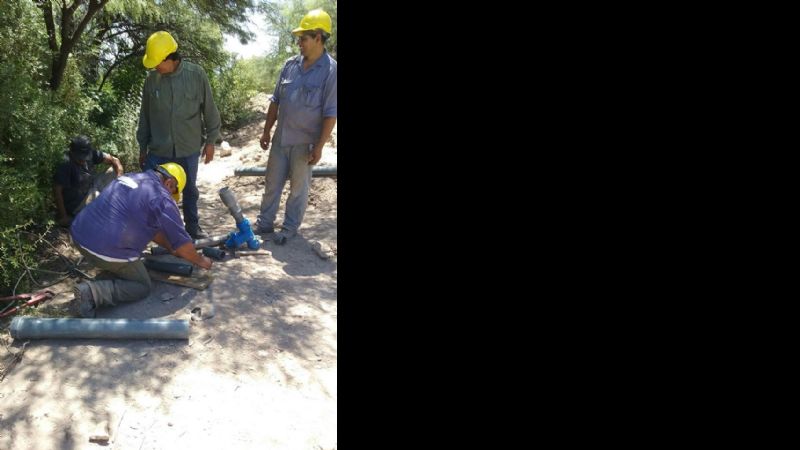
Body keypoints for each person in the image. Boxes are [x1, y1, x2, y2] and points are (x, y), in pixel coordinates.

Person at [69, 162, 213, 318]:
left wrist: (171, 249)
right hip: (103, 249)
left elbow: (154, 230)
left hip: (78, 235)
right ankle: (91, 293)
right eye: (173, 192)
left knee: (121, 254)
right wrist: (201, 261)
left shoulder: (131, 177)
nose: (171, 197)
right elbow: (184, 245)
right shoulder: (161, 198)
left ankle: (109, 267)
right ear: (169, 182)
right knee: (142, 286)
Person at [253, 9, 337, 245]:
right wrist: (267, 130)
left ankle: (289, 229)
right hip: (281, 139)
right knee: (272, 183)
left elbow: (331, 113)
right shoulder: (290, 65)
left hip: (305, 142)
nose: (299, 42)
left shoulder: (332, 72)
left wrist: (319, 146)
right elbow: (275, 101)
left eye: (304, 38)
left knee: (298, 190)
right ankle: (265, 223)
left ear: (318, 37)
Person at [136, 30, 221, 240]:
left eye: (158, 62)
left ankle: (192, 227)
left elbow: (209, 110)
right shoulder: (151, 81)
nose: (155, 67)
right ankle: (155, 232)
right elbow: (144, 116)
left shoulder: (196, 75)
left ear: (170, 58)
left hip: (188, 149)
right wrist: (142, 148)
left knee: (189, 190)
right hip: (158, 149)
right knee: (152, 192)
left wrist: (211, 141)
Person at [53, 135, 124, 227]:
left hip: (92, 185)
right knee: (103, 202)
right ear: (72, 152)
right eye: (80, 158)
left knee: (114, 170)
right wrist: (64, 216)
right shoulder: (65, 164)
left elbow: (115, 160)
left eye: (85, 157)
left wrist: (120, 176)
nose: (83, 160)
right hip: (78, 201)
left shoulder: (91, 154)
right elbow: (57, 191)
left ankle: (112, 198)